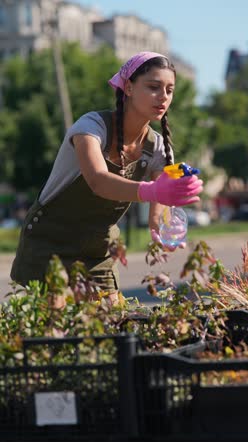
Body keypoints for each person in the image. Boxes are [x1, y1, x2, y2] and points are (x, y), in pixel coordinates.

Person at [10, 51, 203, 305]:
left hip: (97, 247)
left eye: (169, 89)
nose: (164, 96)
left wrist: (165, 230)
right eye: (154, 87)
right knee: (55, 322)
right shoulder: (91, 127)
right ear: (129, 88)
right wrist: (152, 191)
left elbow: (158, 214)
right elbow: (98, 180)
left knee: (112, 320)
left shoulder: (157, 147)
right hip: (50, 239)